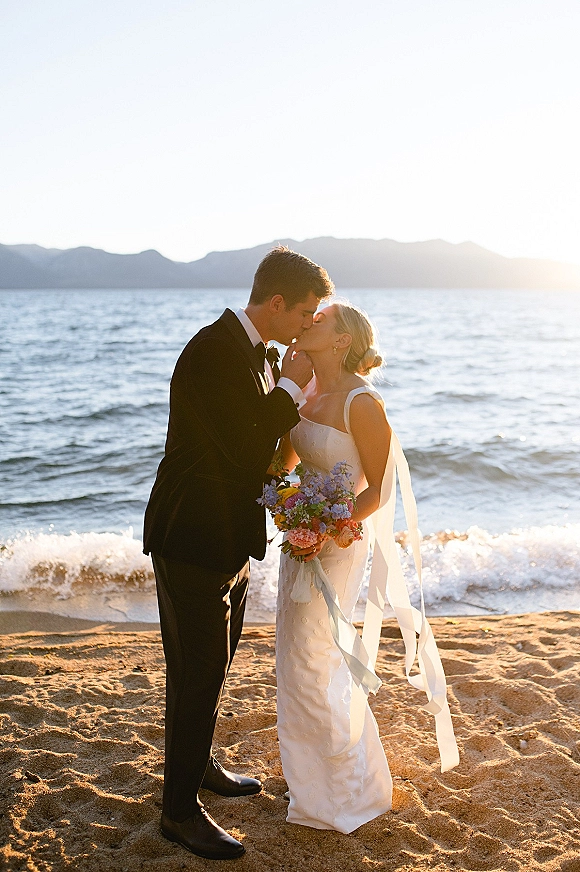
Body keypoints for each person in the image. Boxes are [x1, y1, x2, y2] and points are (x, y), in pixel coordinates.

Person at [143, 246, 334, 859]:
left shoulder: (251, 350)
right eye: (305, 312)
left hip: (227, 537)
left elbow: (262, 454)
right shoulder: (214, 350)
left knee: (215, 664)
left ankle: (198, 765)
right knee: (195, 670)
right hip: (191, 537)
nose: (308, 323)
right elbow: (243, 445)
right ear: (276, 304)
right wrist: (289, 385)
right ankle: (178, 814)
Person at [275, 301, 459, 834]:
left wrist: (325, 528)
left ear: (341, 340)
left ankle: (347, 795)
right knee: (294, 658)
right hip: (301, 539)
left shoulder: (362, 402)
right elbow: (285, 466)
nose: (308, 321)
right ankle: (311, 790)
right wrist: (289, 508)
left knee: (318, 658)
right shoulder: (308, 394)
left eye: (320, 319)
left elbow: (376, 490)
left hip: (338, 541)